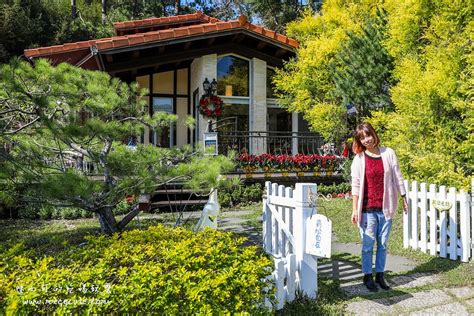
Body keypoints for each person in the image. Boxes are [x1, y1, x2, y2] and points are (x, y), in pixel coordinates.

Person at [350, 123, 408, 292]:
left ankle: (380, 276)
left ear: (374, 134)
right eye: (362, 137)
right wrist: (355, 209)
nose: (367, 139)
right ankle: (367, 276)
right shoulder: (359, 159)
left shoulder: (388, 153)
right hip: (367, 210)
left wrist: (404, 196)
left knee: (383, 244)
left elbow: (398, 176)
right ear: (359, 141)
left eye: (368, 135)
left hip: (385, 208)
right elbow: (356, 185)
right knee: (368, 245)